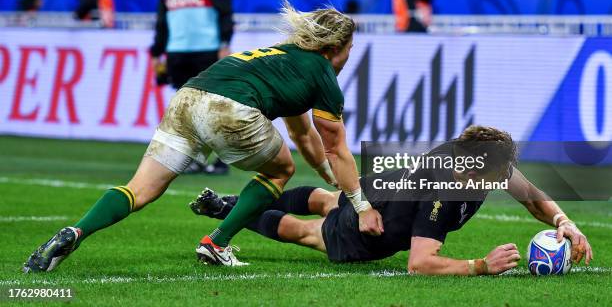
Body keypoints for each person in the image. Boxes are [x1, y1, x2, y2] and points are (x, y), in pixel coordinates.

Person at [22, 0, 384, 272]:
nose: (349, 56)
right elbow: (335, 148)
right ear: (333, 48)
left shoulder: (285, 58)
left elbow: (304, 135)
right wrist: (361, 204)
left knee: (140, 190)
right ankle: (218, 242)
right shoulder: (322, 73)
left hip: (187, 97)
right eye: (349, 48)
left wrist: (331, 181)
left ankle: (75, 232)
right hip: (229, 109)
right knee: (279, 171)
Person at [192, 125, 593, 274]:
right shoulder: (447, 192)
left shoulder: (478, 159)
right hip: (370, 229)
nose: (505, 179)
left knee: (327, 199)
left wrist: (563, 221)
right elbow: (420, 263)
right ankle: (227, 208)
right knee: (306, 231)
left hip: (374, 190)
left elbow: (531, 197)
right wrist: (481, 265)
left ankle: (234, 202)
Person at [150, 0, 233, 174]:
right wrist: (157, 51)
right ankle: (195, 158)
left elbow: (224, 9)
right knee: (185, 110)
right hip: (177, 51)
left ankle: (222, 160)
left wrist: (224, 42)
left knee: (212, 108)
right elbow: (163, 17)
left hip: (206, 49)